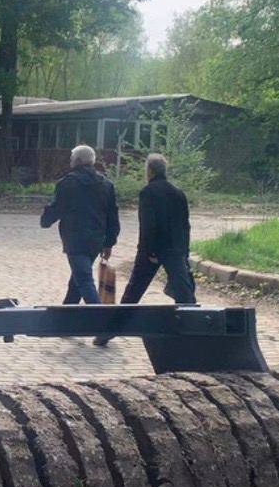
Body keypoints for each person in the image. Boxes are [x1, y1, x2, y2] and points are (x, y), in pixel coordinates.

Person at [94, 152, 195, 346]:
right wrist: (185, 252)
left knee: (133, 292)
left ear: (150, 171)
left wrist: (150, 251)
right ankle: (192, 330)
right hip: (175, 249)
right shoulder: (178, 192)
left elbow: (148, 225)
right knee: (185, 293)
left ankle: (108, 332)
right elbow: (185, 225)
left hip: (152, 250)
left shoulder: (148, 192)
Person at [41, 144, 120, 305]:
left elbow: (57, 208)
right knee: (77, 281)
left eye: (71, 158)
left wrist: (45, 220)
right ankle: (66, 314)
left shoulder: (67, 183)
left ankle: (100, 316)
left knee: (84, 281)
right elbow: (112, 216)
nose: (70, 161)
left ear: (77, 161)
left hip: (75, 240)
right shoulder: (106, 184)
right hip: (96, 241)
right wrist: (109, 243)